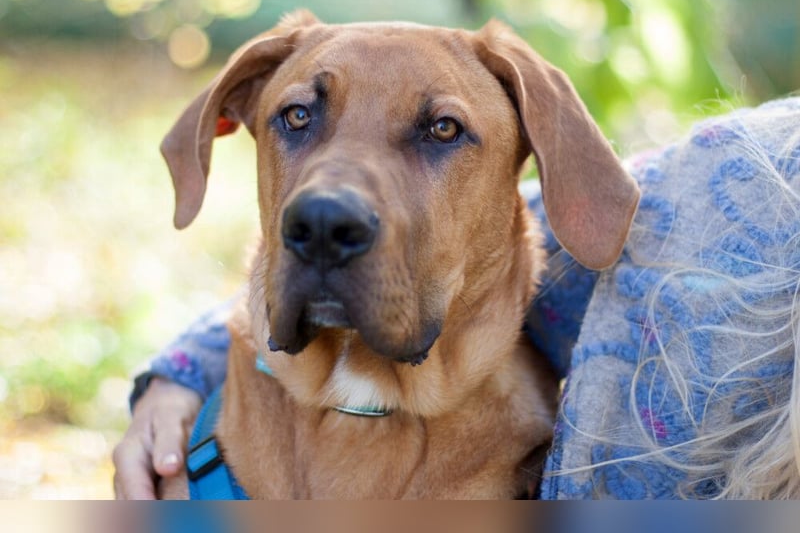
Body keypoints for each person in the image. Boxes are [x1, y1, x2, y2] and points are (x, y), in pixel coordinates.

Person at [114, 99, 800, 499]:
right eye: (297, 117)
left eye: (439, 131)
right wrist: (180, 373)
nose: (324, 209)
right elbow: (571, 223)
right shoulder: (755, 180)